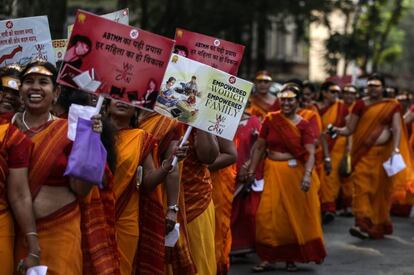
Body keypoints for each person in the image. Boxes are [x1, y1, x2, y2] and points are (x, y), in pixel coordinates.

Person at [12, 60, 104, 274]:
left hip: (61, 232)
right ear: (20, 90)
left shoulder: (70, 131)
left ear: (56, 92)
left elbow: (81, 189)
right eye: (28, 81)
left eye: (43, 82)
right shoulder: (5, 128)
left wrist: (90, 141)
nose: (35, 87)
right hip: (14, 232)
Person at [247, 85, 326, 272]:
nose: (286, 103)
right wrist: (251, 170)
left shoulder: (304, 125)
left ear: (297, 101)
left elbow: (310, 152)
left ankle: (291, 258)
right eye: (283, 99)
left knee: (291, 216)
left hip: (295, 174)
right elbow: (259, 147)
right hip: (272, 171)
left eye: (290, 99)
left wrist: (307, 176)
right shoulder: (271, 119)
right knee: (267, 215)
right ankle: (268, 258)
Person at [106, 99, 188, 275]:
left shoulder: (141, 138)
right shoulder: (93, 131)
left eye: (130, 99)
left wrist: (166, 166)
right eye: (117, 97)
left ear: (136, 109)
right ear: (106, 103)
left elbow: (148, 182)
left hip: (126, 219)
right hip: (96, 212)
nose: (122, 102)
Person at [333, 73, 414, 239]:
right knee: (362, 189)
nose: (373, 88)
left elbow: (397, 128)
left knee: (380, 191)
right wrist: (337, 130)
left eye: (376, 85)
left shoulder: (392, 105)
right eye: (370, 85)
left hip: (384, 155)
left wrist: (396, 149)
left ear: (382, 88)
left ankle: (377, 225)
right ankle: (362, 224)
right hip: (363, 154)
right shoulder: (360, 105)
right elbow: (350, 129)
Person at [138, 110, 197, 274]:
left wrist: (172, 209)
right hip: (120, 191)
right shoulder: (120, 113)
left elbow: (172, 166)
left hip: (154, 193)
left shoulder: (168, 120)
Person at [0, 72, 40, 274]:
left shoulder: (14, 137)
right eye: (2, 90)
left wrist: (33, 246)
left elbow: (19, 194)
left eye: (13, 93)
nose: (7, 97)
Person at [180, 126, 219, 275]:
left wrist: (202, 119)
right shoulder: (148, 112)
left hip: (194, 199)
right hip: (155, 194)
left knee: (198, 261)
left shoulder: (199, 118)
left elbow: (211, 156)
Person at [230, 108, 262, 255]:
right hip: (225, 172)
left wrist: (248, 166)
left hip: (245, 173)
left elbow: (260, 147)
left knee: (246, 211)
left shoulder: (253, 121)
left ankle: (242, 245)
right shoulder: (224, 119)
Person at [317, 81, 349, 224]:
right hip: (318, 147)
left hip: (337, 147)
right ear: (324, 92)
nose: (335, 94)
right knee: (319, 178)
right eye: (332, 91)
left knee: (331, 178)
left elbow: (350, 129)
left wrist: (348, 150)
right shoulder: (315, 107)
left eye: (337, 92)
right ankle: (320, 208)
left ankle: (329, 208)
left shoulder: (342, 107)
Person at [209, 138, 237, 275]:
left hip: (211, 186)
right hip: (173, 183)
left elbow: (231, 155)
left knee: (214, 233)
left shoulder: (215, 117)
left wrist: (192, 167)